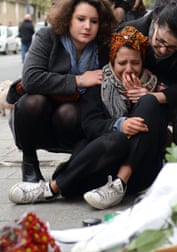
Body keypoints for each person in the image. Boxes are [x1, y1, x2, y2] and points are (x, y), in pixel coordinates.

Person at [9, 26, 167, 210]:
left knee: (150, 103)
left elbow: (164, 121)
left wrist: (141, 98)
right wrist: (120, 124)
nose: (129, 69)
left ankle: (116, 184)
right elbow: (90, 126)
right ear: (113, 62)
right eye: (122, 63)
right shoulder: (99, 83)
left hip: (138, 169)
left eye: (135, 63)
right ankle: (53, 188)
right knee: (117, 139)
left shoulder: (154, 85)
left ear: (142, 63)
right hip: (102, 160)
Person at [8, 0, 117, 183]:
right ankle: (29, 163)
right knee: (32, 102)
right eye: (81, 19)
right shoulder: (47, 36)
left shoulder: (103, 48)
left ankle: (72, 167)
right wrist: (79, 80)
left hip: (74, 120)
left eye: (94, 21)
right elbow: (31, 78)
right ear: (68, 19)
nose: (87, 26)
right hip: (38, 118)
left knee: (70, 112)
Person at [121, 0, 177, 157]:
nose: (162, 50)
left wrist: (152, 97)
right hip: (128, 99)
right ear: (155, 24)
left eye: (171, 48)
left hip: (168, 98)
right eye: (160, 41)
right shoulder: (130, 32)